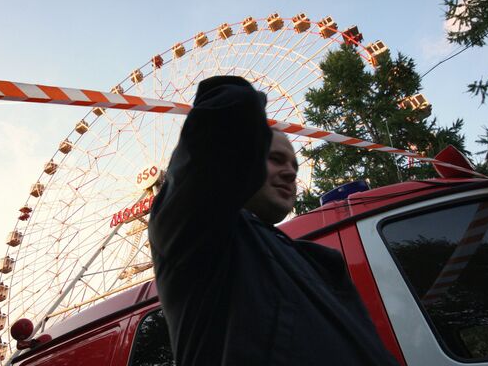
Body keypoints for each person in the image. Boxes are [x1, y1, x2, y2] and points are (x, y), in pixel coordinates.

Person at [148, 76, 399, 366]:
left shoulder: (316, 263)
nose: (291, 173)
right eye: (276, 159)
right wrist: (249, 114)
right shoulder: (195, 236)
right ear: (244, 156)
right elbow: (227, 111)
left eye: (294, 165)